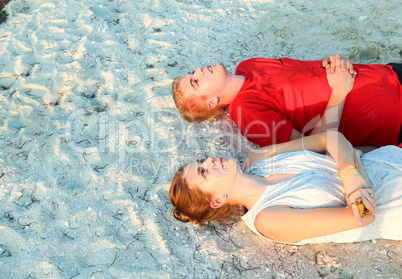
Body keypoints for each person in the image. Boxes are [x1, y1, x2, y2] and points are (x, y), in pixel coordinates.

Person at [169, 131, 402, 244]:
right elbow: (363, 216)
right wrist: (352, 159)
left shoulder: (256, 158)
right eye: (203, 172)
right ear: (218, 200)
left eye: (201, 161)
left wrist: (351, 175)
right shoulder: (268, 218)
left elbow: (331, 137)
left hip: (393, 155)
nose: (209, 161)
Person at [172, 53, 402, 147]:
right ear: (211, 102)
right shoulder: (246, 111)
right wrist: (339, 91)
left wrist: (330, 62)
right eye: (196, 81)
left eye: (193, 72)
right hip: (393, 115)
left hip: (388, 73)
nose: (200, 70)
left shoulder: (249, 65)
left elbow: (302, 74)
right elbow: (311, 147)